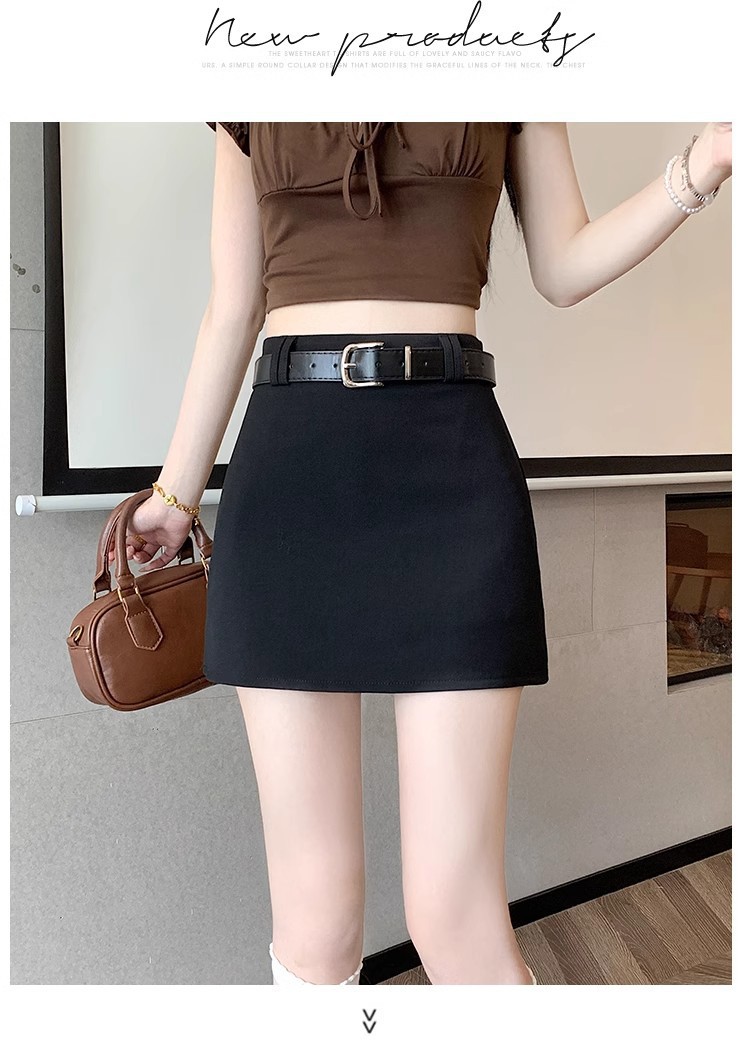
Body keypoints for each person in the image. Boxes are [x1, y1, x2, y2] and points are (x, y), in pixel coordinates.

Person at [109, 121, 732, 986]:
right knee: (316, 921)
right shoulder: (250, 72)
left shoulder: (511, 60)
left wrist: (704, 165)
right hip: (291, 479)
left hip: (453, 464)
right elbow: (234, 306)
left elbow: (563, 266)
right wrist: (175, 497)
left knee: (454, 915)